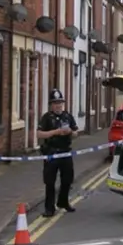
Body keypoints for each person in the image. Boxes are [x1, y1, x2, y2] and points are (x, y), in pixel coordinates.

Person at [37, 89, 78, 218]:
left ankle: (63, 202)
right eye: (55, 103)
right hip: (51, 153)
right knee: (50, 182)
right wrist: (55, 132)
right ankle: (49, 208)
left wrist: (70, 132)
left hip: (65, 152)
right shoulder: (46, 118)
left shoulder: (67, 116)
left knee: (67, 180)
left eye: (60, 102)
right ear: (51, 105)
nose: (58, 105)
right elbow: (39, 134)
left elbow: (76, 133)